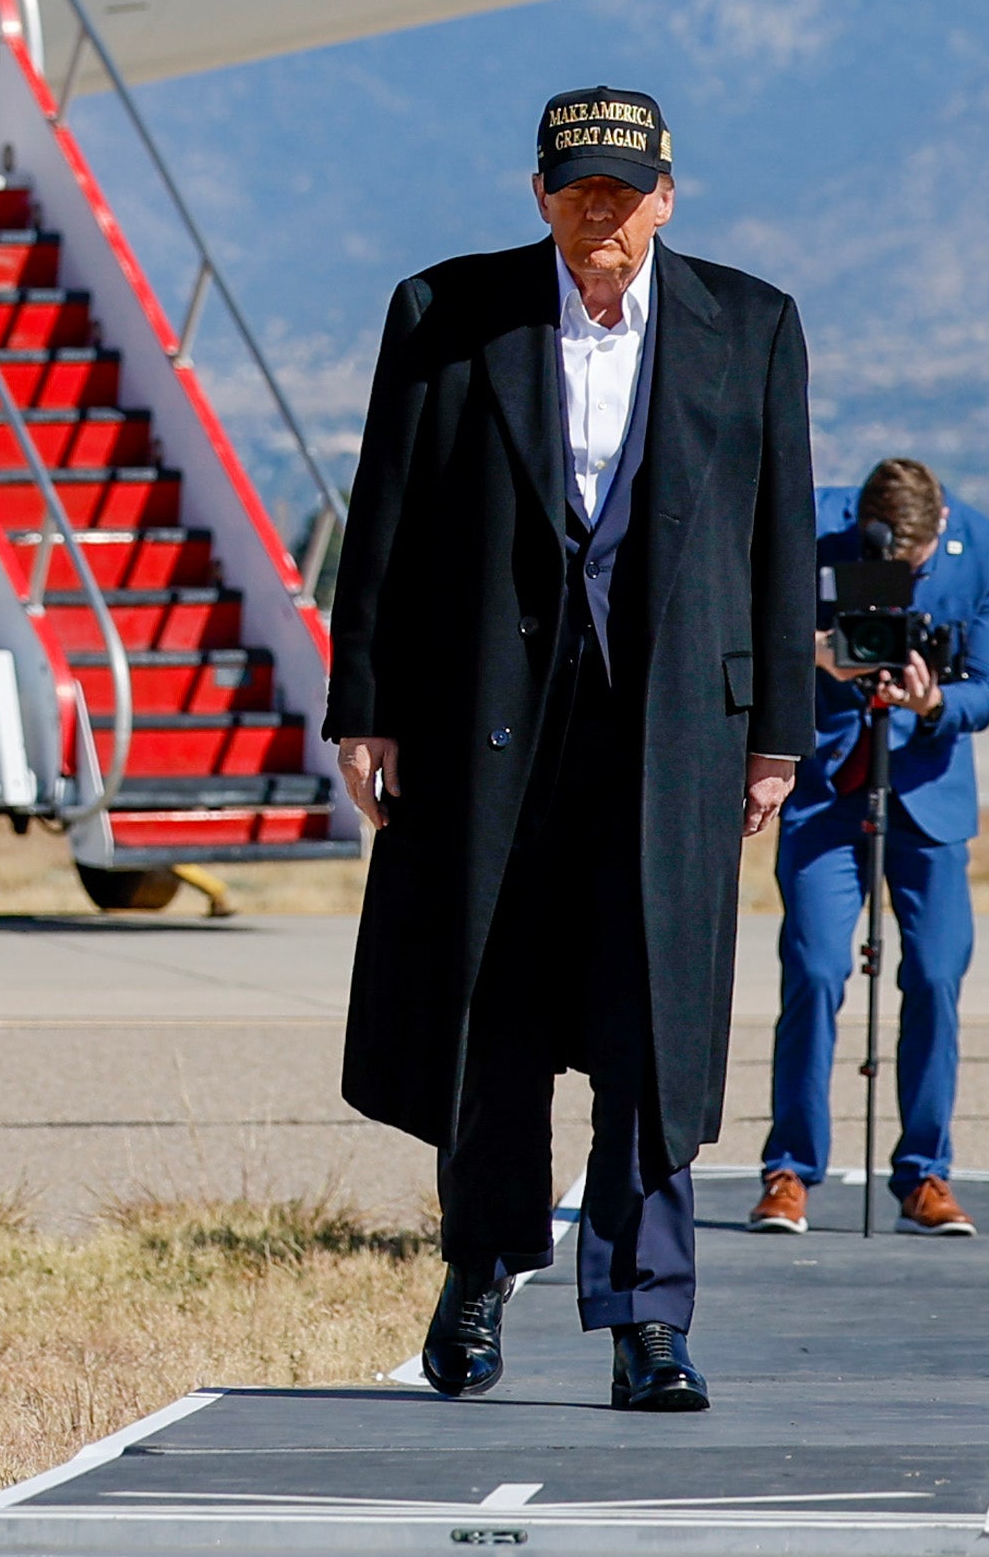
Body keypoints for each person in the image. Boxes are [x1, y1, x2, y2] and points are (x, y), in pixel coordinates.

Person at [321, 85, 812, 1417]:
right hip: (486, 733)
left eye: (625, 186)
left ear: (669, 191)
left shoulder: (751, 326)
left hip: (673, 741)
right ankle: (479, 1275)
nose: (602, 209)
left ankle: (648, 1321)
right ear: (537, 192)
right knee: (492, 1016)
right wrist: (363, 703)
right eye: (577, 186)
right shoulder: (444, 314)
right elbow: (387, 518)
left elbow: (780, 539)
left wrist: (777, 733)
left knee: (656, 1035)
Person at [756, 454, 989, 1234]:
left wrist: (935, 698)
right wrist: (817, 651)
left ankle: (925, 1174)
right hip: (826, 787)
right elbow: (742, 619)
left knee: (936, 975)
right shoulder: (806, 526)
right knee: (813, 969)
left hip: (929, 792)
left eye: (916, 566)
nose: (903, 575)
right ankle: (790, 1169)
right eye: (886, 565)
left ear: (941, 525)